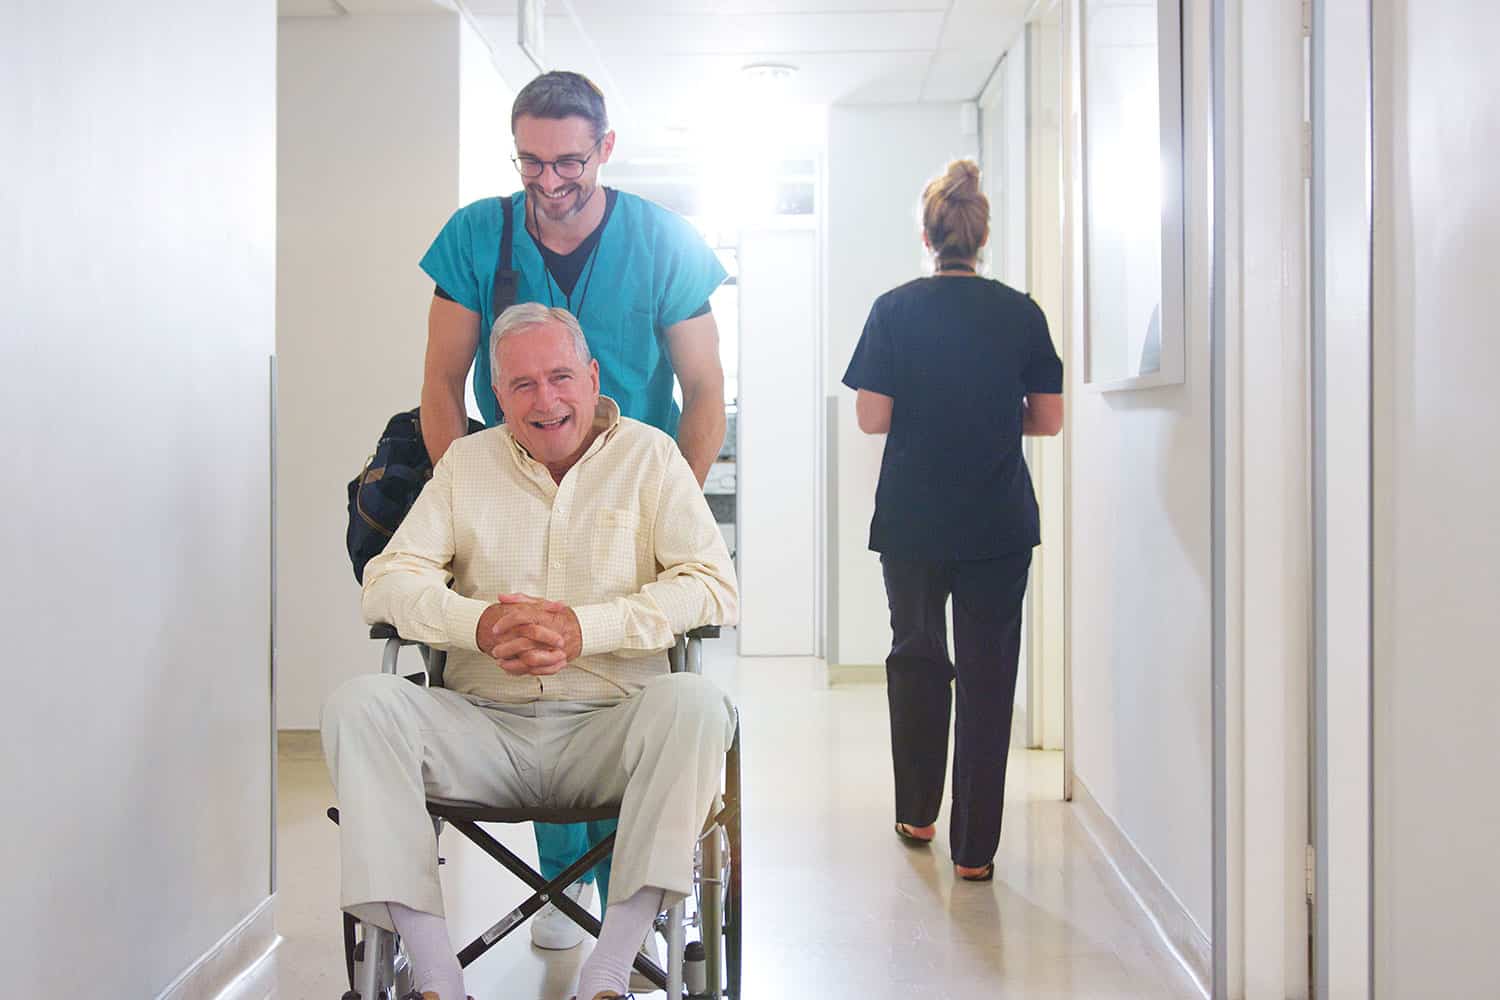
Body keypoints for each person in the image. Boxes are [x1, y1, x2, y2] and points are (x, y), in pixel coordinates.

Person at [323, 304, 738, 1000]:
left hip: (614, 726)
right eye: (521, 385)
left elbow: (712, 588)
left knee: (697, 704)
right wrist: (476, 624)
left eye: (560, 377)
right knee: (360, 706)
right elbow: (387, 582)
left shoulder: (650, 456)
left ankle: (607, 975)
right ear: (495, 393)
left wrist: (589, 628)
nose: (546, 401)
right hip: (481, 727)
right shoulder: (464, 465)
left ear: (592, 375)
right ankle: (436, 978)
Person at [417, 70, 729, 947]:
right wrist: (469, 496)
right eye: (531, 164)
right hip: (513, 483)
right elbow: (442, 382)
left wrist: (674, 507)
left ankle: (631, 888)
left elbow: (704, 389)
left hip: (635, 497)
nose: (549, 183)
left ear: (605, 150)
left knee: (625, 682)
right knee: (532, 659)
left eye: (568, 163)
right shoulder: (478, 234)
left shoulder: (664, 241)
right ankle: (563, 885)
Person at [841, 160, 1064, 883]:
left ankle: (918, 813)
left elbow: (872, 417)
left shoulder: (894, 308)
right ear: (982, 234)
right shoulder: (1020, 312)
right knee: (990, 675)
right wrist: (991, 415)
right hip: (998, 521)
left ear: (928, 236)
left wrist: (926, 408)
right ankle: (975, 851)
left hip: (913, 518)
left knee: (918, 660)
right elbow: (1049, 420)